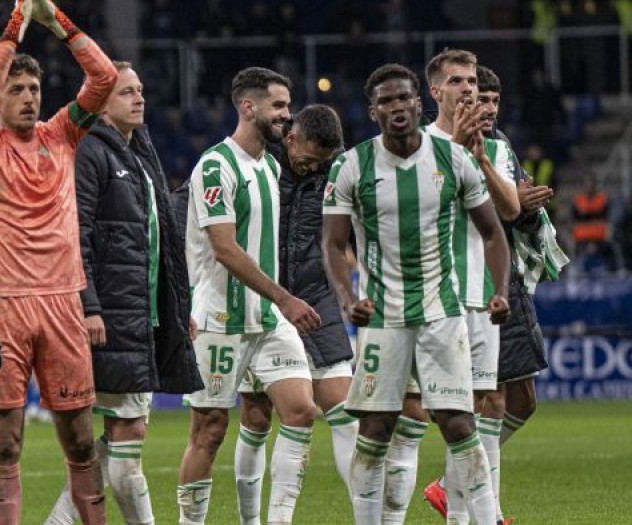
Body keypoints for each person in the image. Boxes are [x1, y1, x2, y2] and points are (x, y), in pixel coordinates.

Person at [321, 63, 511, 525]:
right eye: (385, 101)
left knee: (459, 422)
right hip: (382, 318)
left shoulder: (452, 159)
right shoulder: (352, 165)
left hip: (441, 312)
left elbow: (493, 233)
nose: (397, 107)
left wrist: (499, 290)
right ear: (373, 111)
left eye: (403, 98)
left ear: (417, 102)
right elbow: (332, 243)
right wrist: (347, 299)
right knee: (376, 429)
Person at [0, 0, 117, 522]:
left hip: (61, 303)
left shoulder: (61, 136)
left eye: (34, 90)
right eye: (17, 90)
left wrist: (55, 21)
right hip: (1, 306)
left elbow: (104, 77)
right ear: (1, 100)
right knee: (5, 443)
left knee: (78, 439)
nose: (28, 98)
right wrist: (14, 27)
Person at [46, 60, 202, 525]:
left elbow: (160, 240)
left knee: (120, 436)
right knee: (128, 437)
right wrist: (88, 306)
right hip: (111, 315)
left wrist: (177, 307)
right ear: (101, 104)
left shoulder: (138, 153)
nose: (139, 99)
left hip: (141, 315)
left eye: (140, 90)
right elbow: (76, 235)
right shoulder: (91, 151)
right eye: (127, 93)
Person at [370, 48, 521, 525]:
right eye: (457, 81)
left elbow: (511, 211)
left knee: (486, 406)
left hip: (479, 295)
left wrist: (479, 157)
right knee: (418, 415)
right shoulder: (413, 143)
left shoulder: (494, 147)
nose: (469, 89)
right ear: (434, 91)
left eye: (472, 81)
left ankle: (476, 515)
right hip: (428, 297)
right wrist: (457, 149)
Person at [176, 66, 322, 525]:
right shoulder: (216, 166)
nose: (287, 115)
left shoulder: (271, 165)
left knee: (299, 412)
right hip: (220, 319)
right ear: (248, 107)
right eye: (278, 106)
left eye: (287, 105)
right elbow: (224, 247)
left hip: (268, 321)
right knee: (209, 432)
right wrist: (285, 297)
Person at [424, 64, 563, 525]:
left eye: (494, 101)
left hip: (505, 281)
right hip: (456, 286)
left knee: (518, 400)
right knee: (484, 401)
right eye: (479, 98)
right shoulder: (431, 146)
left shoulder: (501, 149)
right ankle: (482, 510)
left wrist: (525, 207)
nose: (487, 107)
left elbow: (512, 212)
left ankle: (454, 488)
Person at [234, 105, 358, 508]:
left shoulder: (338, 170)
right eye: (307, 161)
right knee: (256, 417)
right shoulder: (258, 162)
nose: (312, 169)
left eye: (322, 163)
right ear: (290, 140)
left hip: (315, 299)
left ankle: (367, 515)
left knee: (344, 409)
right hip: (263, 300)